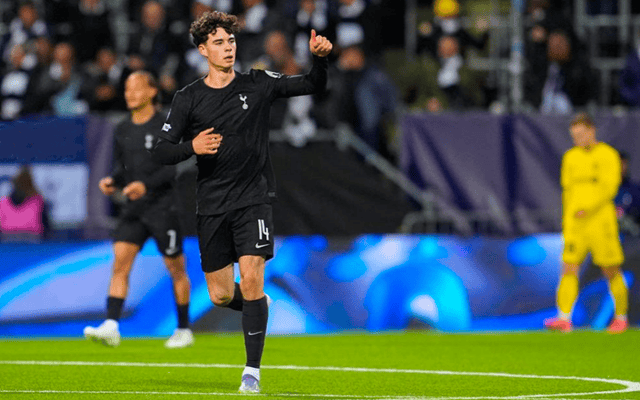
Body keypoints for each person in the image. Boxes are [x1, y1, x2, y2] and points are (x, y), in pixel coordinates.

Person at [151, 11, 332, 393]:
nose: (228, 47)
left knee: (251, 277)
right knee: (220, 294)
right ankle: (257, 305)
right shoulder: (189, 98)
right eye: (218, 42)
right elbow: (162, 151)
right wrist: (192, 146)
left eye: (231, 41)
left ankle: (252, 372)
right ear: (203, 50)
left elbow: (312, 84)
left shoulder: (258, 83)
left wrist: (320, 59)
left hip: (254, 198)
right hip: (211, 203)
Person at [83, 71, 194, 349]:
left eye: (136, 88)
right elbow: (122, 168)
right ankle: (111, 325)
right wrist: (113, 181)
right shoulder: (122, 128)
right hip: (134, 208)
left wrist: (146, 185)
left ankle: (183, 329)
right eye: (126, 89)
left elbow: (173, 167)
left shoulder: (166, 125)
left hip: (163, 207)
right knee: (120, 263)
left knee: (175, 268)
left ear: (152, 91)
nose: (129, 94)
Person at [544, 112, 628, 334]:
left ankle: (621, 317)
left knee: (610, 269)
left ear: (592, 131)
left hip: (601, 222)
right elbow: (568, 190)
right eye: (574, 136)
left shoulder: (608, 155)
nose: (578, 139)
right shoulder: (570, 157)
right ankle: (563, 318)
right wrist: (568, 219)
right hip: (576, 225)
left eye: (581, 134)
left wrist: (588, 208)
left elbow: (610, 187)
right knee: (568, 267)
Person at [0, 165, 49, 242]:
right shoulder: (37, 201)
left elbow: (46, 225)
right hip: (29, 239)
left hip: (19, 239)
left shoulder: (3, 202)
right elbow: (46, 225)